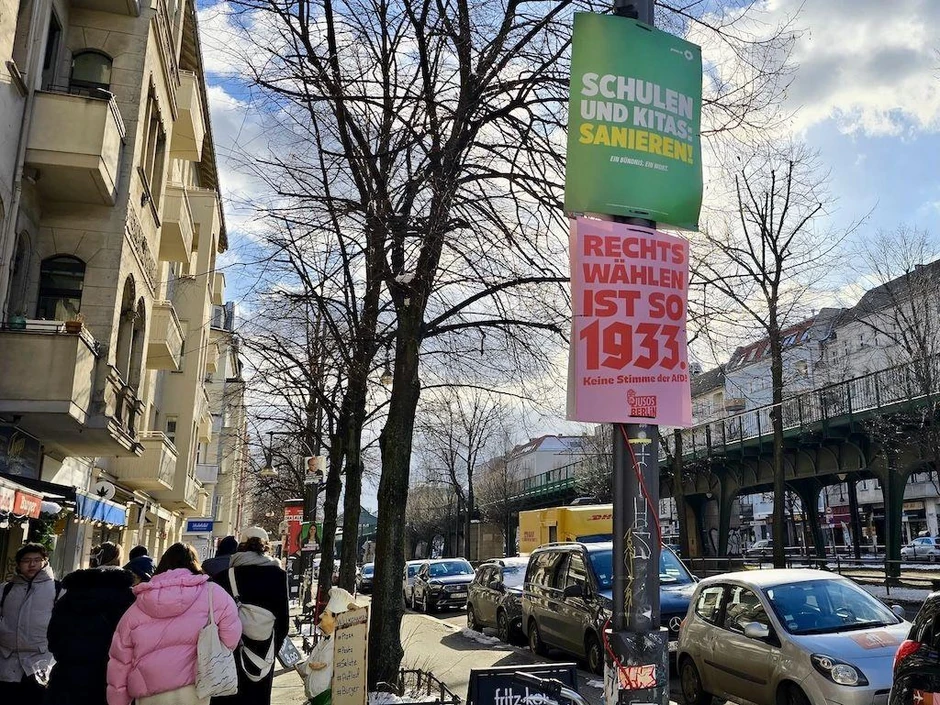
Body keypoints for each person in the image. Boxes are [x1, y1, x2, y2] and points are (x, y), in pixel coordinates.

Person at [107, 543, 241, 705]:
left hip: (149, 692)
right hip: (195, 689)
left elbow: (121, 660)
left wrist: (118, 701)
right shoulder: (214, 594)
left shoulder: (138, 605)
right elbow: (231, 638)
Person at [46, 542, 136, 705]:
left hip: (69, 676)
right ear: (119, 560)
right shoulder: (128, 597)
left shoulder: (71, 594)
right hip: (111, 677)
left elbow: (53, 635)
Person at [211, 527, 289, 705]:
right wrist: (271, 649)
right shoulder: (278, 575)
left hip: (229, 653)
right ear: (266, 547)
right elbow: (283, 622)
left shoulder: (224, 576)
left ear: (241, 547)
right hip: (264, 652)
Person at [0, 543, 58, 700]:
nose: (32, 564)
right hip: (7, 665)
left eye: (37, 560)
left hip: (42, 665)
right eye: (26, 560)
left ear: (45, 561)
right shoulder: (6, 589)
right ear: (19, 564)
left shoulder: (57, 589)